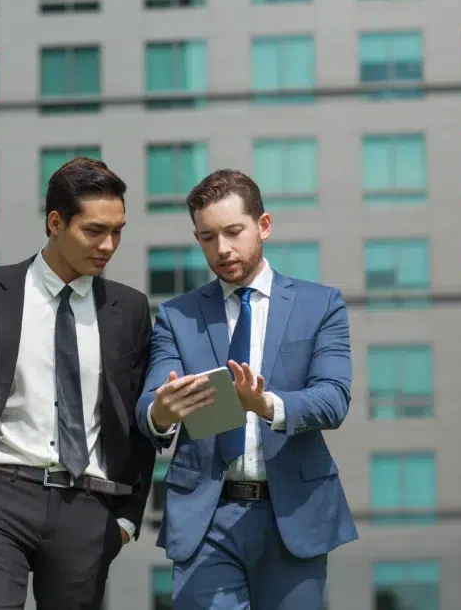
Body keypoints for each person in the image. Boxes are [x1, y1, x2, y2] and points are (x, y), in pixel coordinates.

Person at [0, 157, 157, 610]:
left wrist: (127, 516)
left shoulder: (128, 309)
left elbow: (137, 420)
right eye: (94, 231)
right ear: (55, 222)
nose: (108, 245)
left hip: (88, 508)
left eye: (118, 231)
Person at [136, 169, 358, 609]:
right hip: (208, 517)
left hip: (292, 514)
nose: (222, 249)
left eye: (233, 232)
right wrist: (162, 412)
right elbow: (149, 406)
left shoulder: (321, 305)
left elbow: (334, 398)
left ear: (264, 226)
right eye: (207, 238)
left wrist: (265, 404)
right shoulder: (176, 316)